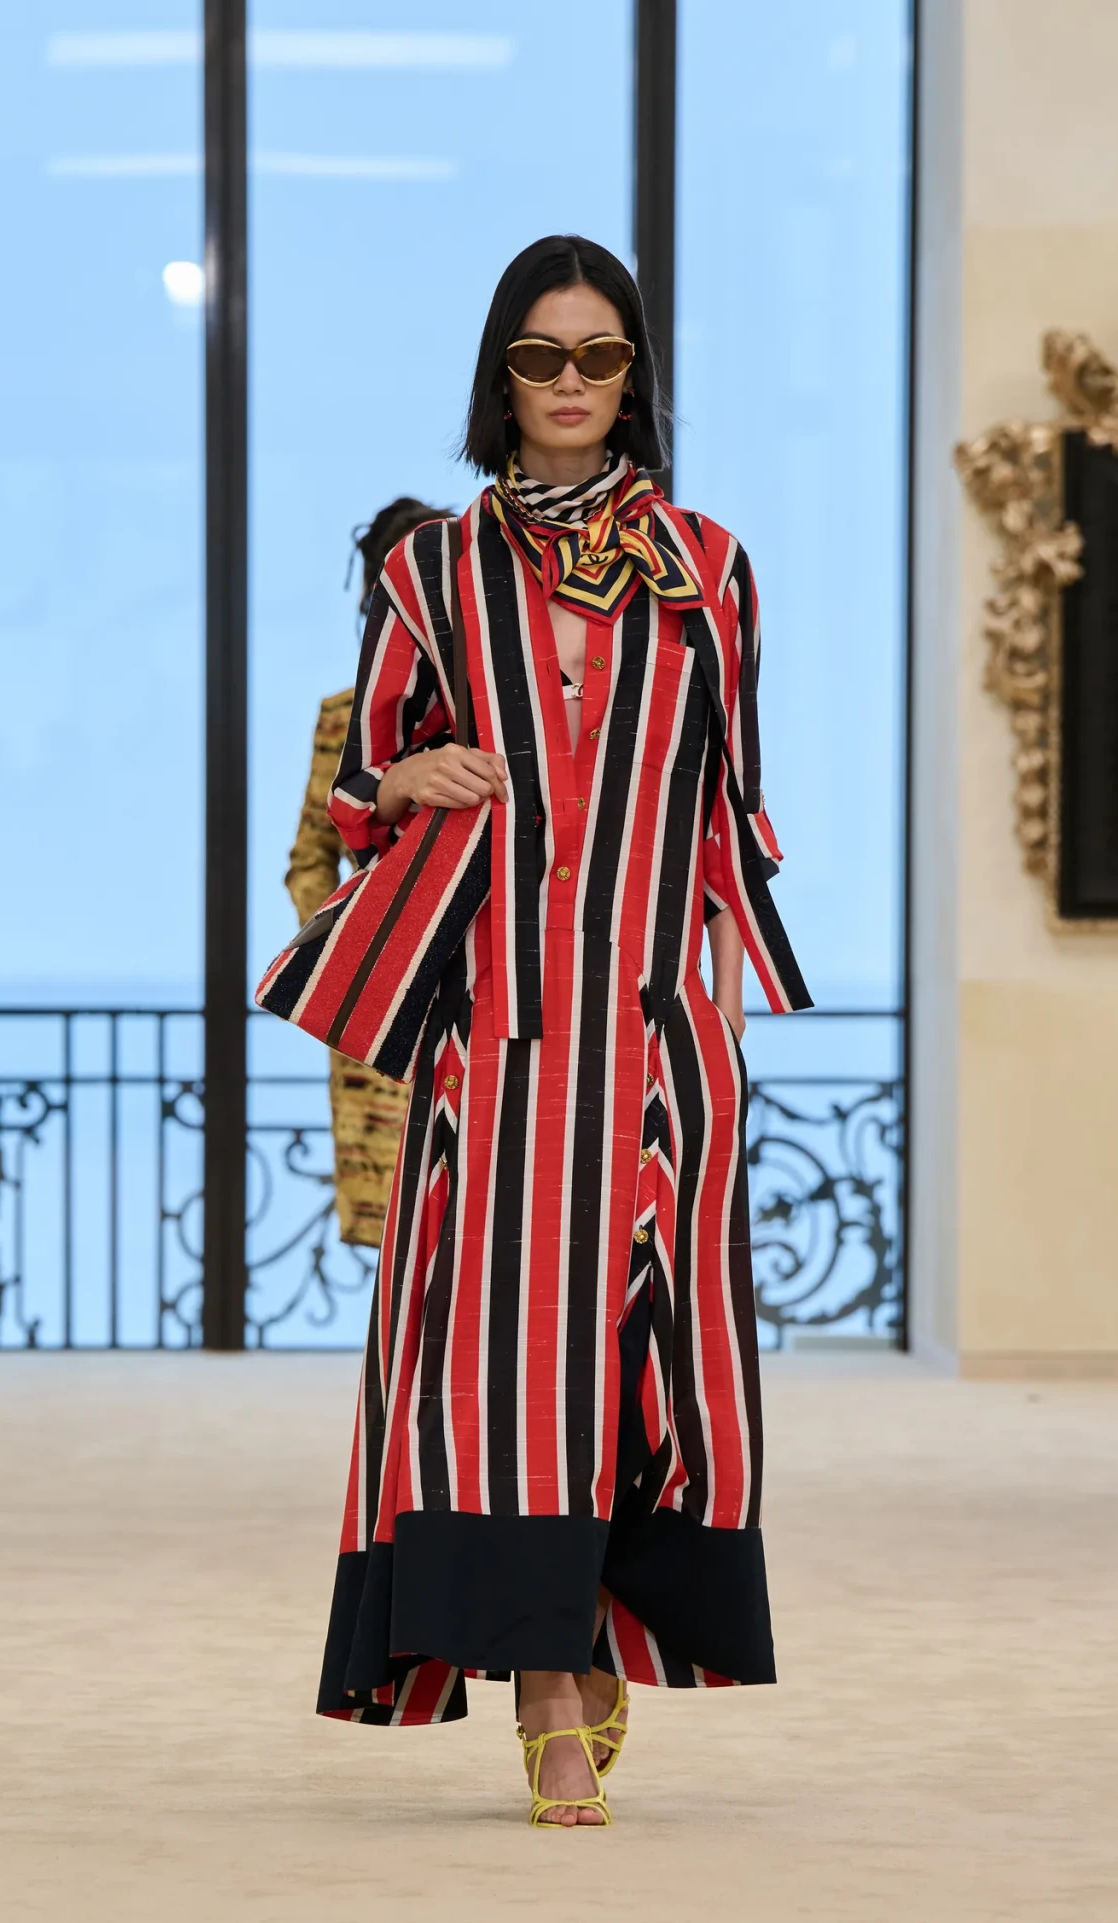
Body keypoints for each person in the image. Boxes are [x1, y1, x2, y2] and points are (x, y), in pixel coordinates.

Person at [318, 235, 811, 1825]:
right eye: (542, 357)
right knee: (506, 1361)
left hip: (661, 1033)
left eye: (601, 355)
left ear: (635, 375)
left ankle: (607, 1632)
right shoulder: (432, 573)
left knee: (652, 1356)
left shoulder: (709, 567)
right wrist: (408, 775)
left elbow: (731, 818)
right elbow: (358, 788)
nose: (572, 384)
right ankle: (543, 1688)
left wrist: (724, 1032)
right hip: (502, 1033)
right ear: (502, 378)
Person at [285, 498, 451, 1247]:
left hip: (484, 988)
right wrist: (350, 952)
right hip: (377, 1004)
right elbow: (309, 861)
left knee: (480, 1224)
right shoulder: (342, 716)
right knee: (396, 1231)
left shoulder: (500, 710)